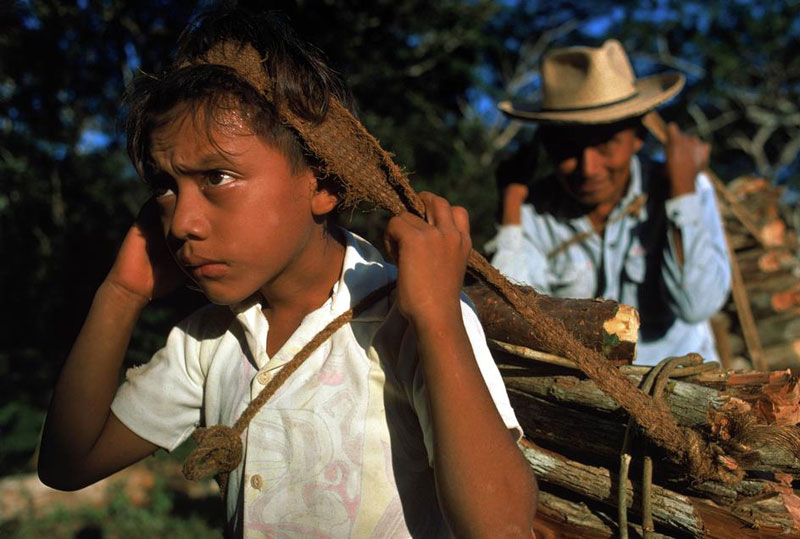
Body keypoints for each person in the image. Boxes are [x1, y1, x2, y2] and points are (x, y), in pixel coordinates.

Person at [37, 7, 537, 537]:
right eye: (165, 186)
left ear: (322, 184)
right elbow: (69, 464)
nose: (181, 222)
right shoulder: (207, 341)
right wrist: (120, 293)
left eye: (217, 176)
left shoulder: (411, 318)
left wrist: (438, 318)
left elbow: (501, 529)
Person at [488, 39, 731, 366]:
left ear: (637, 138)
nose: (588, 168)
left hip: (681, 385)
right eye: (568, 149)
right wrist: (511, 205)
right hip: (586, 399)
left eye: (606, 144)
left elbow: (697, 305)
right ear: (547, 147)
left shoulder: (683, 189)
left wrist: (683, 192)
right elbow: (513, 319)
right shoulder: (533, 213)